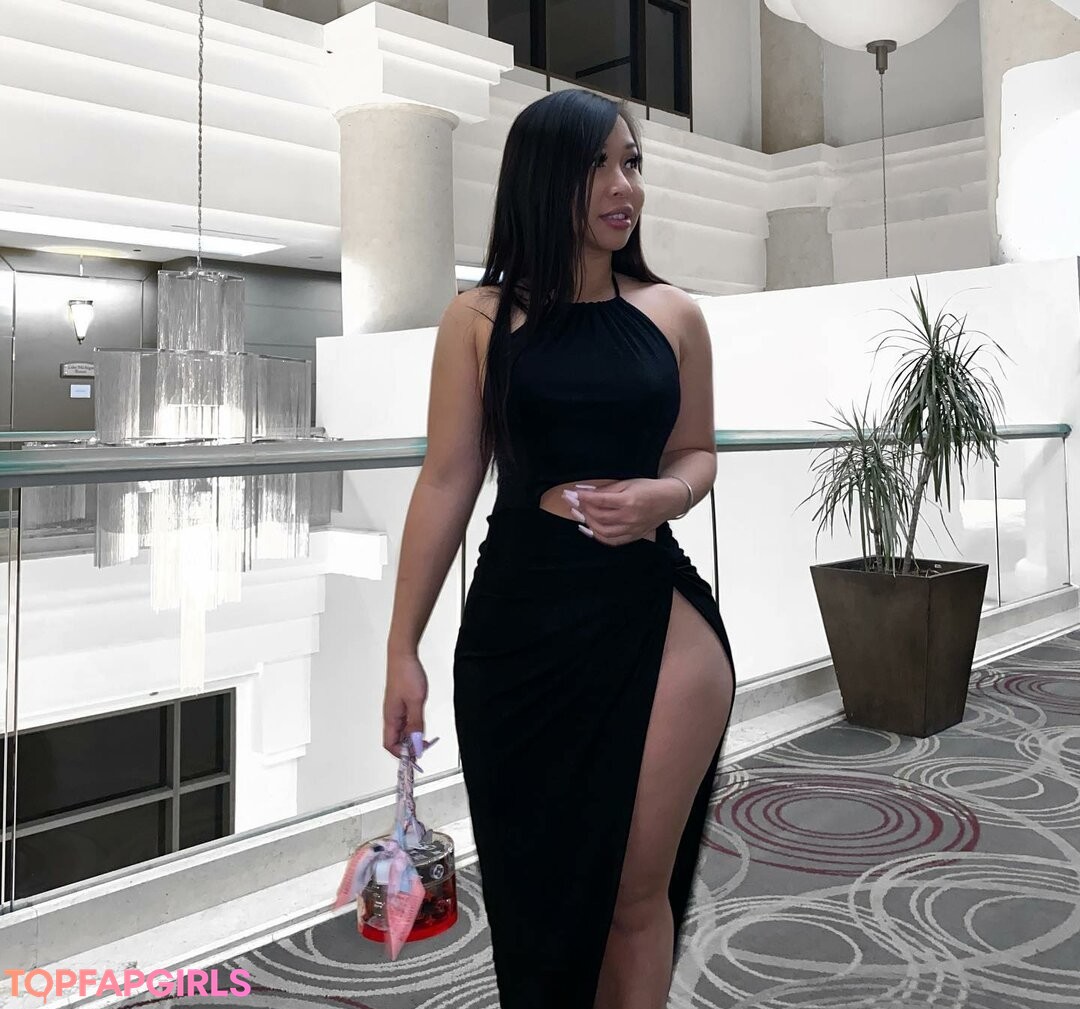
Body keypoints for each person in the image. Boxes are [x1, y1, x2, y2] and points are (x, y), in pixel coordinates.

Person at [382, 88, 737, 1009]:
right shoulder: (477, 318)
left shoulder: (674, 314)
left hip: (652, 619)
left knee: (633, 892)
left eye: (633, 163)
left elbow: (696, 452)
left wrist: (665, 494)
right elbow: (448, 479)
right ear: (545, 179)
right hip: (517, 633)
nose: (627, 187)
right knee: (535, 889)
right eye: (600, 166)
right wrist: (401, 645)